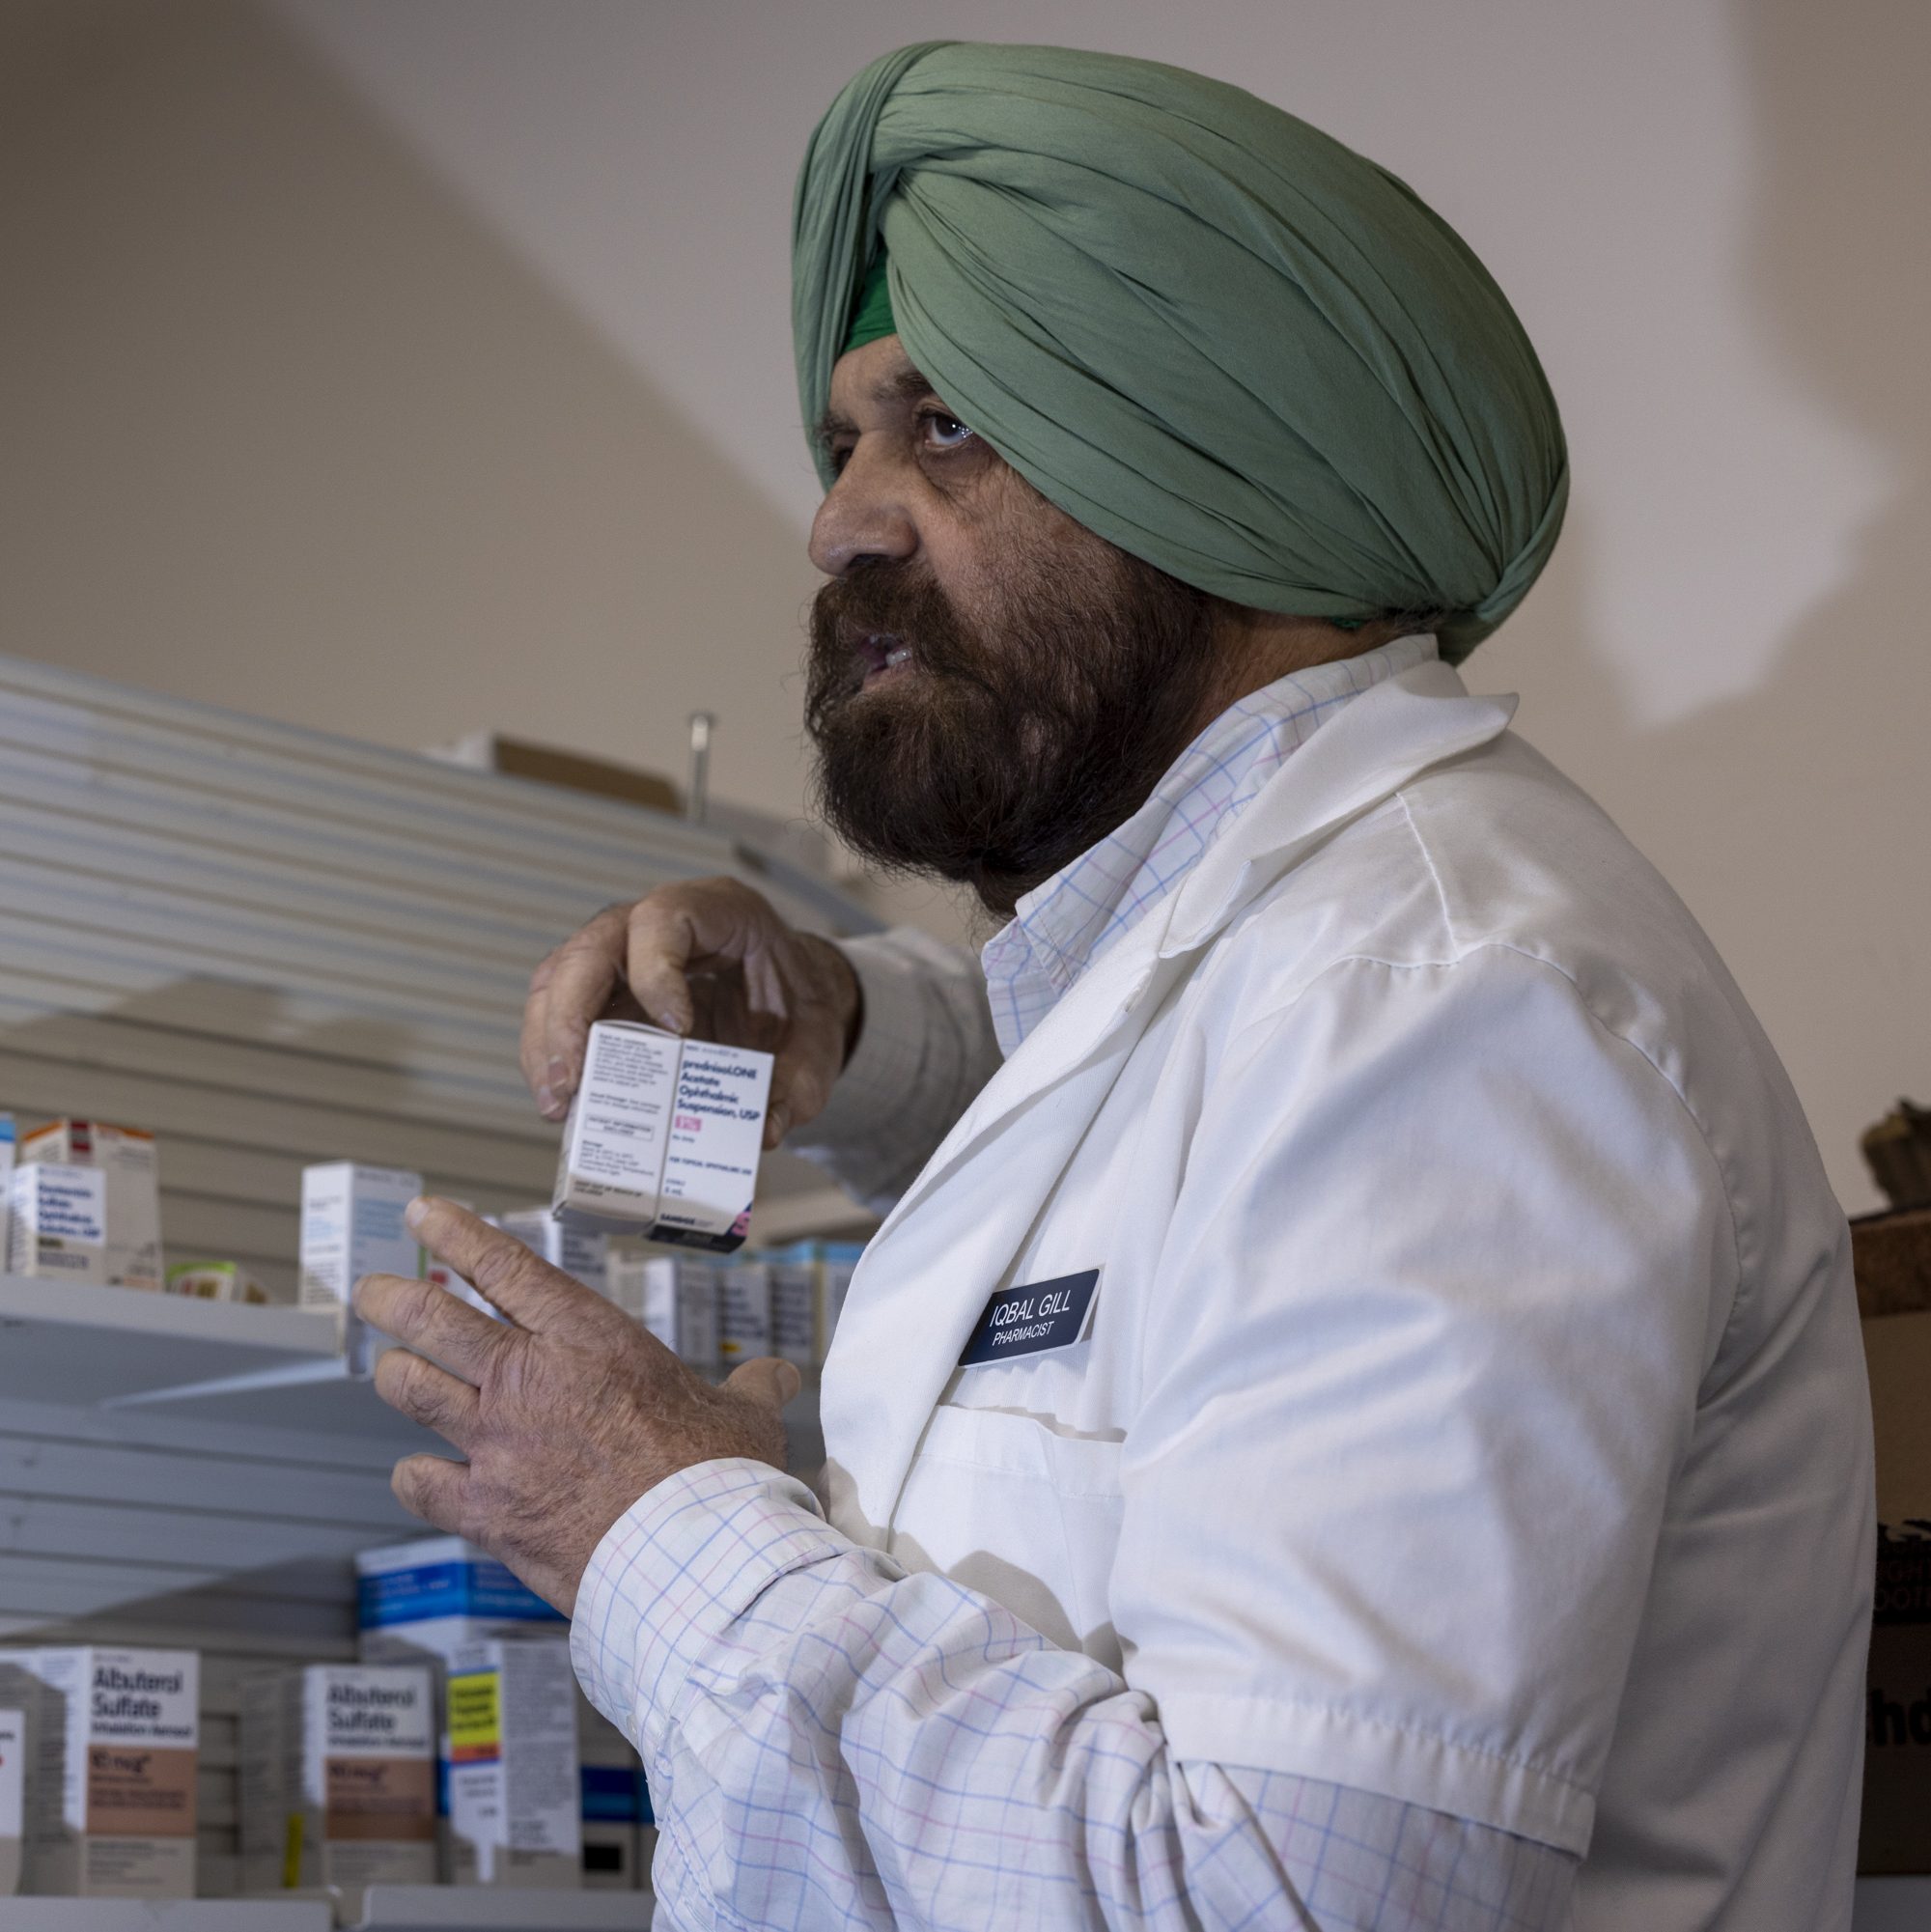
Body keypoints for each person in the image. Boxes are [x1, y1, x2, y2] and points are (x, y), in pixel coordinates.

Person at [354, 42, 1873, 1931]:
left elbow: (1276, 1899)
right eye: (844, 438)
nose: (841, 518)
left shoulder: (1445, 999)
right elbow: (1157, 1150)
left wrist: (655, 1519)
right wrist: (853, 1028)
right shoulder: (1302, 958)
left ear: (1217, 459)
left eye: (946, 427)